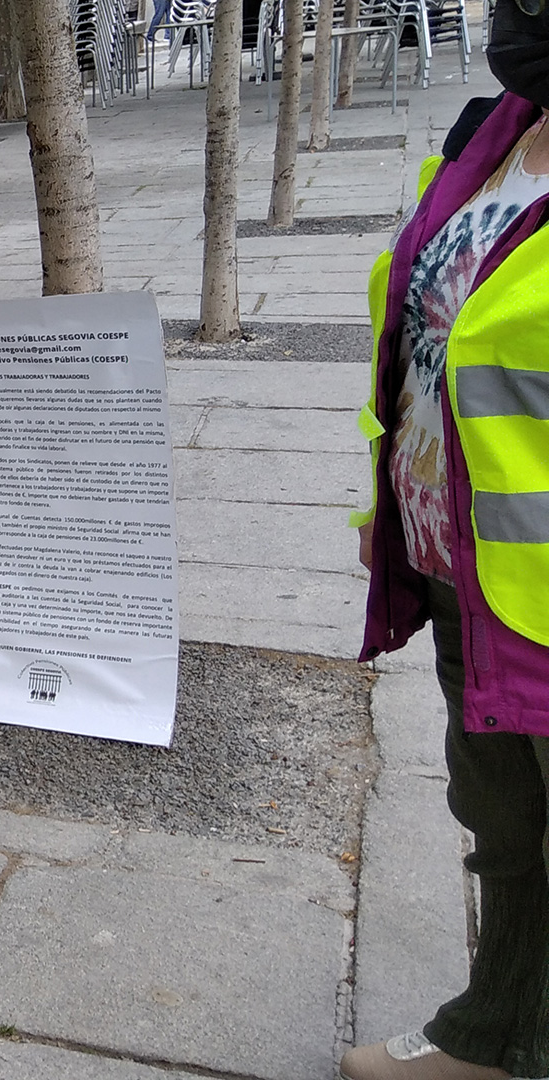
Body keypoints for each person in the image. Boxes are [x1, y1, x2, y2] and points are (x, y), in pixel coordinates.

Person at [342, 3, 549, 1079]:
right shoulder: (497, 128)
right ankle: (493, 1031)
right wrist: (389, 514)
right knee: (503, 821)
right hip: (466, 572)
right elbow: (426, 347)